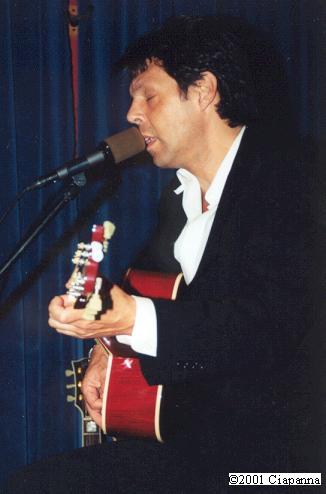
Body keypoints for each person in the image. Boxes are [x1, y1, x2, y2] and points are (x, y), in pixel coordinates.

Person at [3, 15, 321, 494]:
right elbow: (150, 296)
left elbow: (263, 327)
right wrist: (106, 349)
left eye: (148, 95)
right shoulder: (177, 198)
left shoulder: (293, 178)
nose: (132, 113)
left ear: (204, 91)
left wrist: (127, 322)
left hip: (282, 466)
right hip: (195, 446)